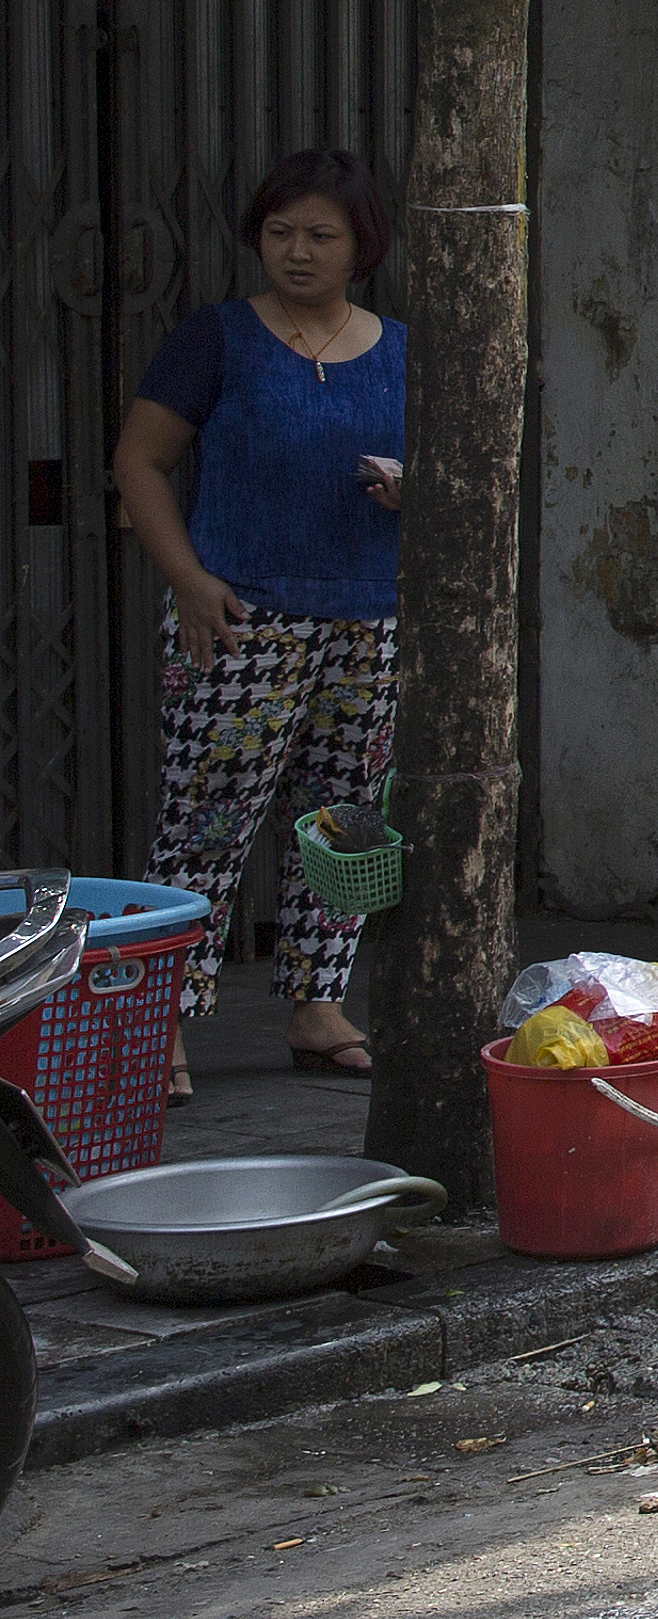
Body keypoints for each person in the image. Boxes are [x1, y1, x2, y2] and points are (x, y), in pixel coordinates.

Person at [110, 149, 406, 1090]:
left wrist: (416, 491)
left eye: (321, 234)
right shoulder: (219, 338)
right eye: (280, 233)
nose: (298, 251)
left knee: (343, 822)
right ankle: (165, 1025)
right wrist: (190, 578)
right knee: (206, 825)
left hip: (367, 624)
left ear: (362, 245)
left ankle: (318, 1007)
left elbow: (460, 475)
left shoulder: (402, 350)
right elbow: (139, 464)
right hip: (237, 623)